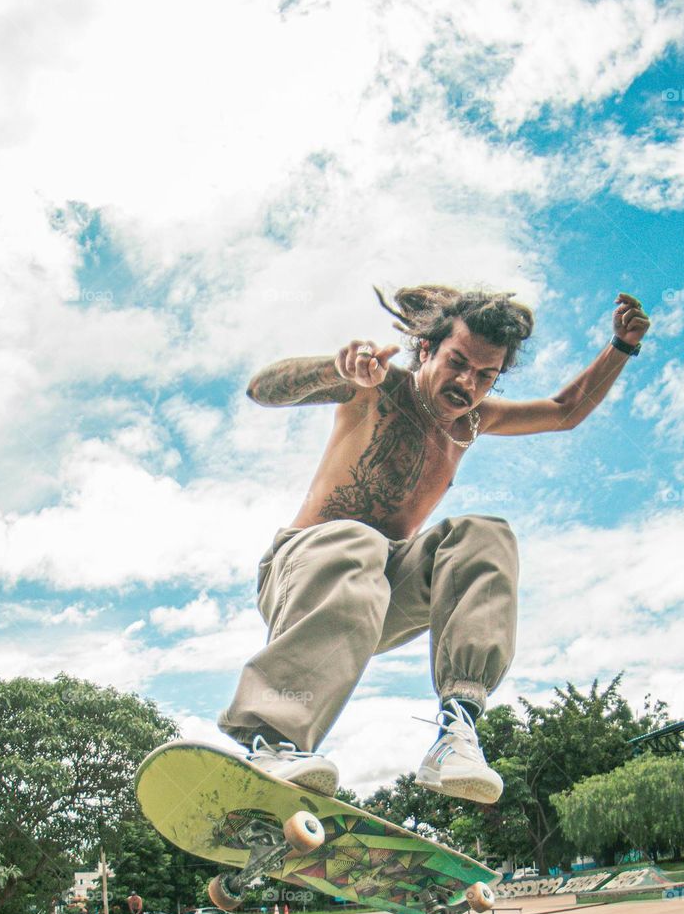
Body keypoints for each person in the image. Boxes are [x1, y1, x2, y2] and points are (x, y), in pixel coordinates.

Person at [218, 284, 650, 802]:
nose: (467, 384)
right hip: (305, 572)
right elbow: (262, 389)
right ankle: (273, 738)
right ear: (427, 350)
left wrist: (621, 347)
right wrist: (337, 370)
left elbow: (564, 410)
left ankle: (456, 729)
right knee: (359, 543)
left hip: (376, 595)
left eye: (485, 376)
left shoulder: (475, 420)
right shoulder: (375, 385)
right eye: (457, 363)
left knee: (484, 536)